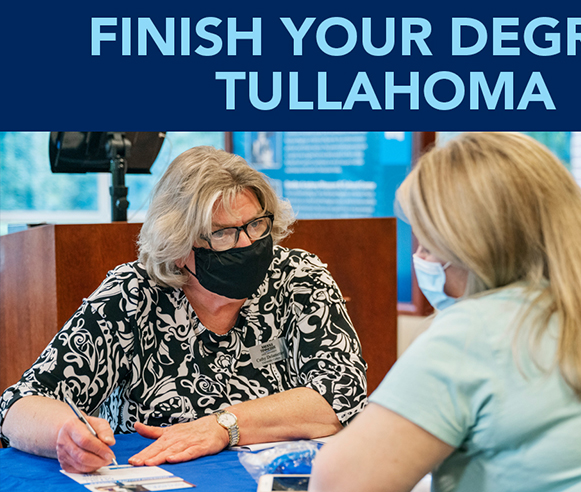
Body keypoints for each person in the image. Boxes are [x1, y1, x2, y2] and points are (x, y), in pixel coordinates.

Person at [310, 133, 581, 492]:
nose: (420, 257)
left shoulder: (475, 333)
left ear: (470, 248)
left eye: (428, 244)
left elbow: (339, 484)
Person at [0, 146, 367, 473]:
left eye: (256, 225)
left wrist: (222, 426)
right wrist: (65, 433)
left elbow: (341, 395)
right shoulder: (134, 294)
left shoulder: (298, 278)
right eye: (222, 233)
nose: (247, 243)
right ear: (177, 247)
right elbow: (18, 405)